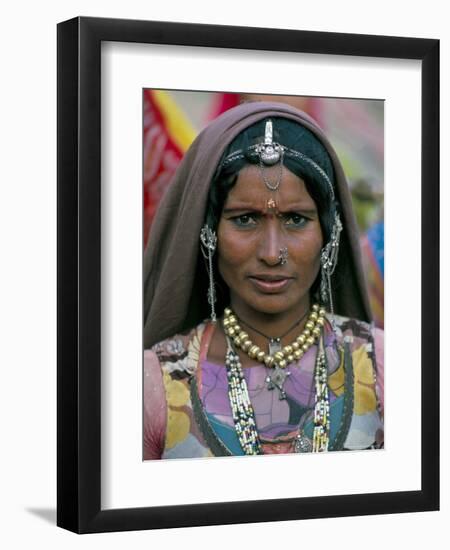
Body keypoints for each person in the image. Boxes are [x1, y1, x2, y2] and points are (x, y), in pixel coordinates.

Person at [143, 101, 384, 459]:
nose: (272, 253)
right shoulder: (152, 386)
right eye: (245, 219)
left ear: (329, 234)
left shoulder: (385, 366)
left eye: (296, 219)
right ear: (207, 231)